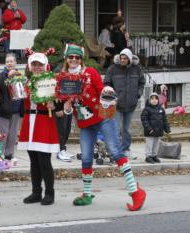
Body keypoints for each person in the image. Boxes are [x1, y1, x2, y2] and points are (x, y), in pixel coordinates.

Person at [62, 44, 146, 211]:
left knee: (115, 151)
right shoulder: (63, 79)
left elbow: (102, 90)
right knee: (86, 158)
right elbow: (69, 109)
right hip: (85, 123)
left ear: (81, 59)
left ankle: (135, 192)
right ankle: (87, 194)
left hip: (103, 117)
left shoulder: (90, 73)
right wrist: (66, 107)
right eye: (71, 57)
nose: (73, 60)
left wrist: (110, 97)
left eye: (77, 57)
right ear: (66, 59)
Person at [17, 52, 59, 205]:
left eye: (40, 64)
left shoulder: (51, 81)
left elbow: (60, 101)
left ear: (45, 65)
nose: (37, 67)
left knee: (44, 160)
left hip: (43, 121)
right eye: (34, 64)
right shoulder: (25, 82)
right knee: (33, 160)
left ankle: (49, 193)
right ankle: (36, 192)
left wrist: (54, 104)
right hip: (29, 122)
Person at [104, 48, 145, 159]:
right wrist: (111, 96)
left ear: (129, 59)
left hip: (131, 104)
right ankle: (115, 151)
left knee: (126, 129)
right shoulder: (112, 69)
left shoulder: (136, 69)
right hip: (116, 104)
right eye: (121, 58)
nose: (122, 60)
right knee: (115, 128)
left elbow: (142, 82)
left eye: (125, 58)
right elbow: (107, 83)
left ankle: (126, 149)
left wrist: (138, 94)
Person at [0, 53, 23, 160]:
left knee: (12, 135)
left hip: (16, 110)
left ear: (15, 63)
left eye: (11, 61)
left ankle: (9, 154)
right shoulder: (1, 76)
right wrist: (9, 77)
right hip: (4, 110)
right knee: (2, 134)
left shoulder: (20, 75)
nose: (9, 63)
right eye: (7, 61)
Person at [141, 93, 171, 164]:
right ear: (149, 100)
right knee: (150, 144)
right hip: (150, 131)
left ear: (158, 100)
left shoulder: (161, 109)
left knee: (156, 144)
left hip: (158, 131)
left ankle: (154, 155)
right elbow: (144, 120)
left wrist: (167, 128)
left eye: (156, 99)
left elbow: (164, 120)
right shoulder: (147, 109)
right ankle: (148, 156)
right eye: (152, 99)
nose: (154, 100)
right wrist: (149, 129)